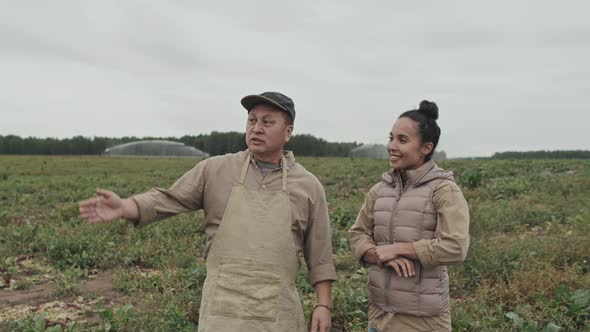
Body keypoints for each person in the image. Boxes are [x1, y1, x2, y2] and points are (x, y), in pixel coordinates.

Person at [79, 92, 336, 332]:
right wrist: (127, 206)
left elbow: (320, 252)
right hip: (221, 311)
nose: (256, 128)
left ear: (288, 132)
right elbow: (170, 198)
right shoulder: (216, 170)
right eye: (252, 120)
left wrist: (323, 304)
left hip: (278, 314)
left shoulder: (308, 186)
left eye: (268, 122)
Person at [348, 101, 470, 332]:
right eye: (391, 137)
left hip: (422, 322)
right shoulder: (380, 189)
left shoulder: (444, 190)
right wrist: (378, 255)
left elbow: (455, 247)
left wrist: (399, 249)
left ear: (426, 148)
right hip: (379, 318)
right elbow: (358, 233)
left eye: (402, 140)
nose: (392, 146)